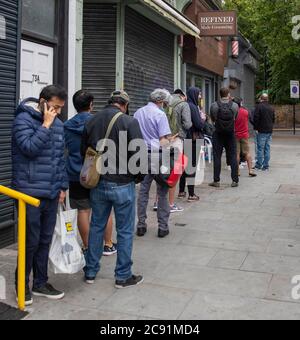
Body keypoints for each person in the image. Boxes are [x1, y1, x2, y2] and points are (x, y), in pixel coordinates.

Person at [81, 90, 145, 289]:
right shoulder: (129, 122)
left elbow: (84, 150)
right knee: (124, 231)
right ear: (124, 105)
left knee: (97, 227)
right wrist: (137, 178)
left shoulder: (91, 121)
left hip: (98, 183)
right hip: (122, 183)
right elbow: (139, 153)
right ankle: (123, 276)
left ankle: (90, 271)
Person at [12, 85, 68, 306]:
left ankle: (40, 282)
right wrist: (45, 125)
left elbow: (60, 158)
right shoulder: (22, 120)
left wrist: (62, 186)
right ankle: (21, 285)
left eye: (61, 108)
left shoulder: (59, 125)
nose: (57, 112)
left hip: (52, 192)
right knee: (30, 242)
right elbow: (28, 148)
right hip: (29, 192)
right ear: (43, 102)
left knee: (45, 240)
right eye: (54, 107)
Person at [64, 90, 117, 256]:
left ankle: (87, 247)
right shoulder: (98, 123)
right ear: (91, 105)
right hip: (98, 172)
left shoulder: (66, 125)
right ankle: (107, 244)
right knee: (104, 209)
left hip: (75, 173)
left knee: (82, 211)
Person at [135, 89, 176, 238]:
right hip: (159, 155)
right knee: (163, 192)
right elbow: (163, 139)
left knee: (143, 191)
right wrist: (170, 140)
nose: (165, 105)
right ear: (160, 101)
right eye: (165, 102)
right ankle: (162, 227)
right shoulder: (160, 114)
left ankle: (141, 225)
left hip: (141, 155)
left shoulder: (138, 113)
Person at [153, 89, 192, 213]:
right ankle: (170, 204)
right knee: (175, 173)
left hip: (163, 139)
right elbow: (187, 124)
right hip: (176, 140)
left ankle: (157, 202)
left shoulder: (164, 103)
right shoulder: (183, 104)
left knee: (163, 171)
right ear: (182, 96)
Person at [179, 87, 205, 202]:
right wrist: (203, 119)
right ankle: (191, 194)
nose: (200, 97)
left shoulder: (184, 105)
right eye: (199, 94)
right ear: (194, 95)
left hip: (183, 139)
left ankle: (181, 191)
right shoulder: (193, 107)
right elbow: (199, 125)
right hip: (193, 139)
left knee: (183, 165)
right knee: (191, 166)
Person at [209, 87, 239, 188]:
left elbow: (213, 118)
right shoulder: (234, 105)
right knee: (233, 156)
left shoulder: (214, 105)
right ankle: (235, 180)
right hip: (230, 133)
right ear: (228, 94)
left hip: (218, 133)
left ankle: (216, 180)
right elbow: (236, 117)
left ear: (220, 94)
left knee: (217, 156)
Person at [233, 97, 257, 178]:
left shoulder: (233, 112)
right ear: (241, 103)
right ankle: (250, 170)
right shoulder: (246, 112)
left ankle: (238, 171)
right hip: (244, 135)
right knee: (247, 152)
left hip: (236, 135)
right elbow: (249, 119)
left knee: (237, 154)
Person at [253, 94, 275, 171]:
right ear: (267, 99)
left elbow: (256, 118)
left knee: (260, 148)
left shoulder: (259, 106)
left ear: (261, 99)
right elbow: (273, 119)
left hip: (261, 130)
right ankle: (266, 166)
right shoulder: (271, 107)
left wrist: (256, 128)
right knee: (267, 148)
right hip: (269, 130)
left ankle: (259, 165)